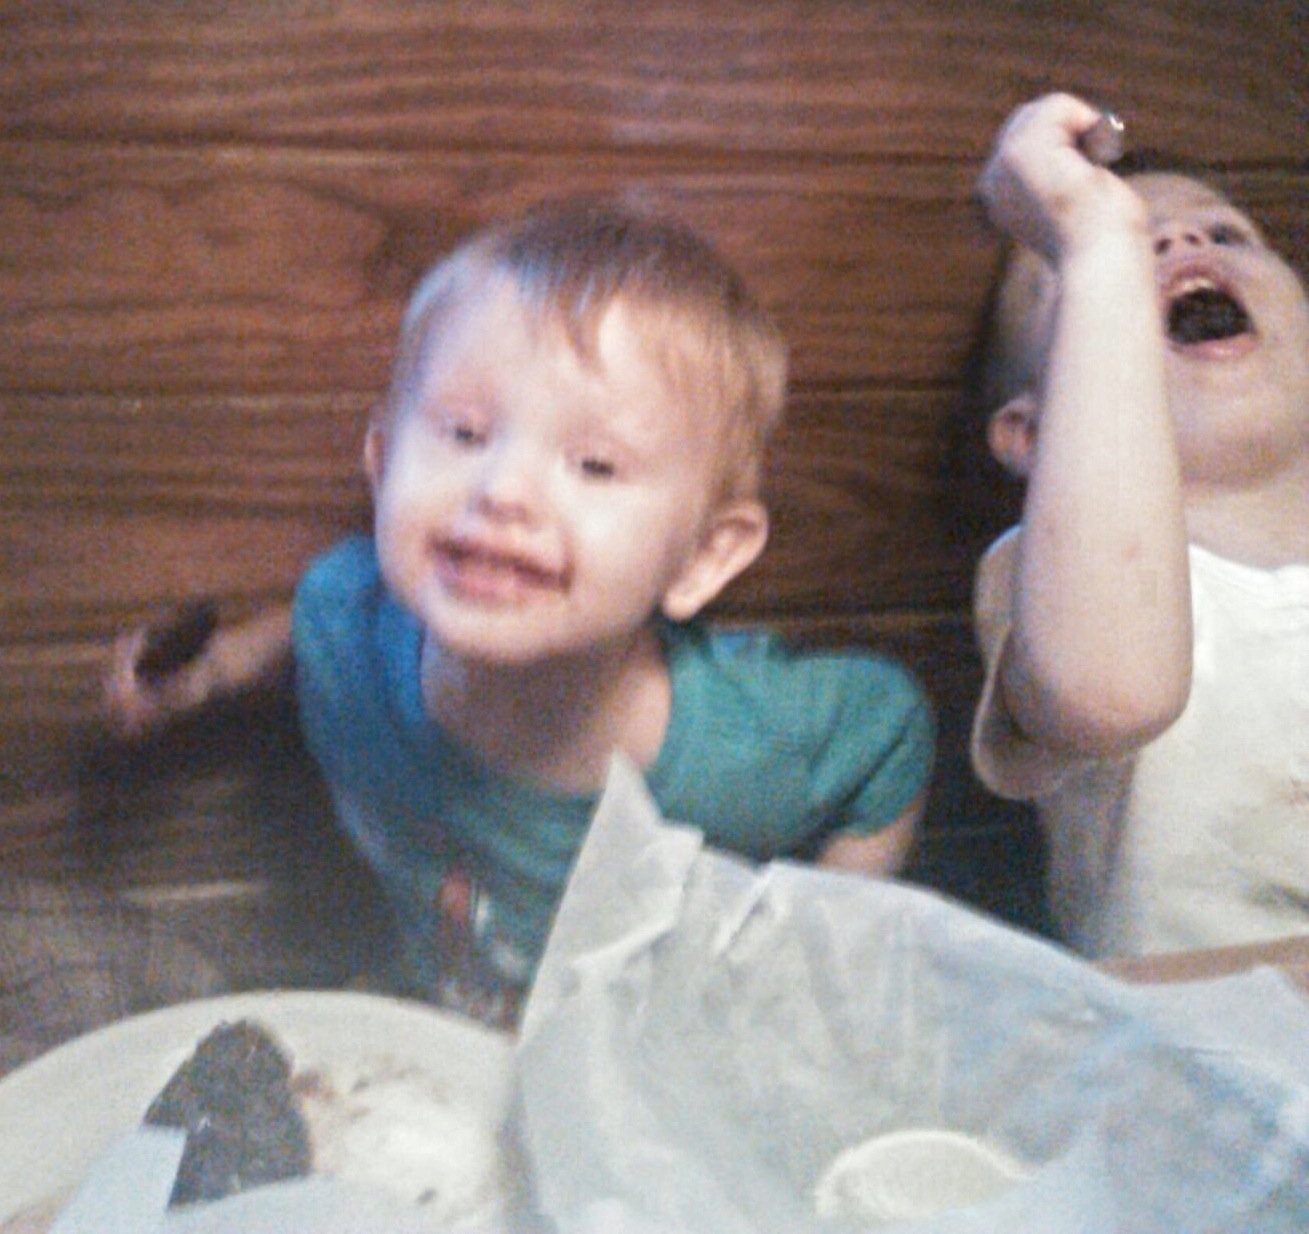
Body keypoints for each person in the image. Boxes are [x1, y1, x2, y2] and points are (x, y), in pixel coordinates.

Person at [108, 196, 934, 1024]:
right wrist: (209, 675)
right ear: (385, 465)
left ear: (702, 557)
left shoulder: (744, 744)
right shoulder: (348, 615)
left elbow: (889, 737)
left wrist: (806, 976)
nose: (502, 489)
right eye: (465, 434)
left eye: (594, 465)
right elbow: (311, 622)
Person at [969, 93, 1308, 959]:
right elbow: (1106, 694)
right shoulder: (1044, 575)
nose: (1179, 241)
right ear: (1034, 436)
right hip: (1215, 1034)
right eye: (1080, 278)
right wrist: (1093, 240)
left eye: (1225, 234)